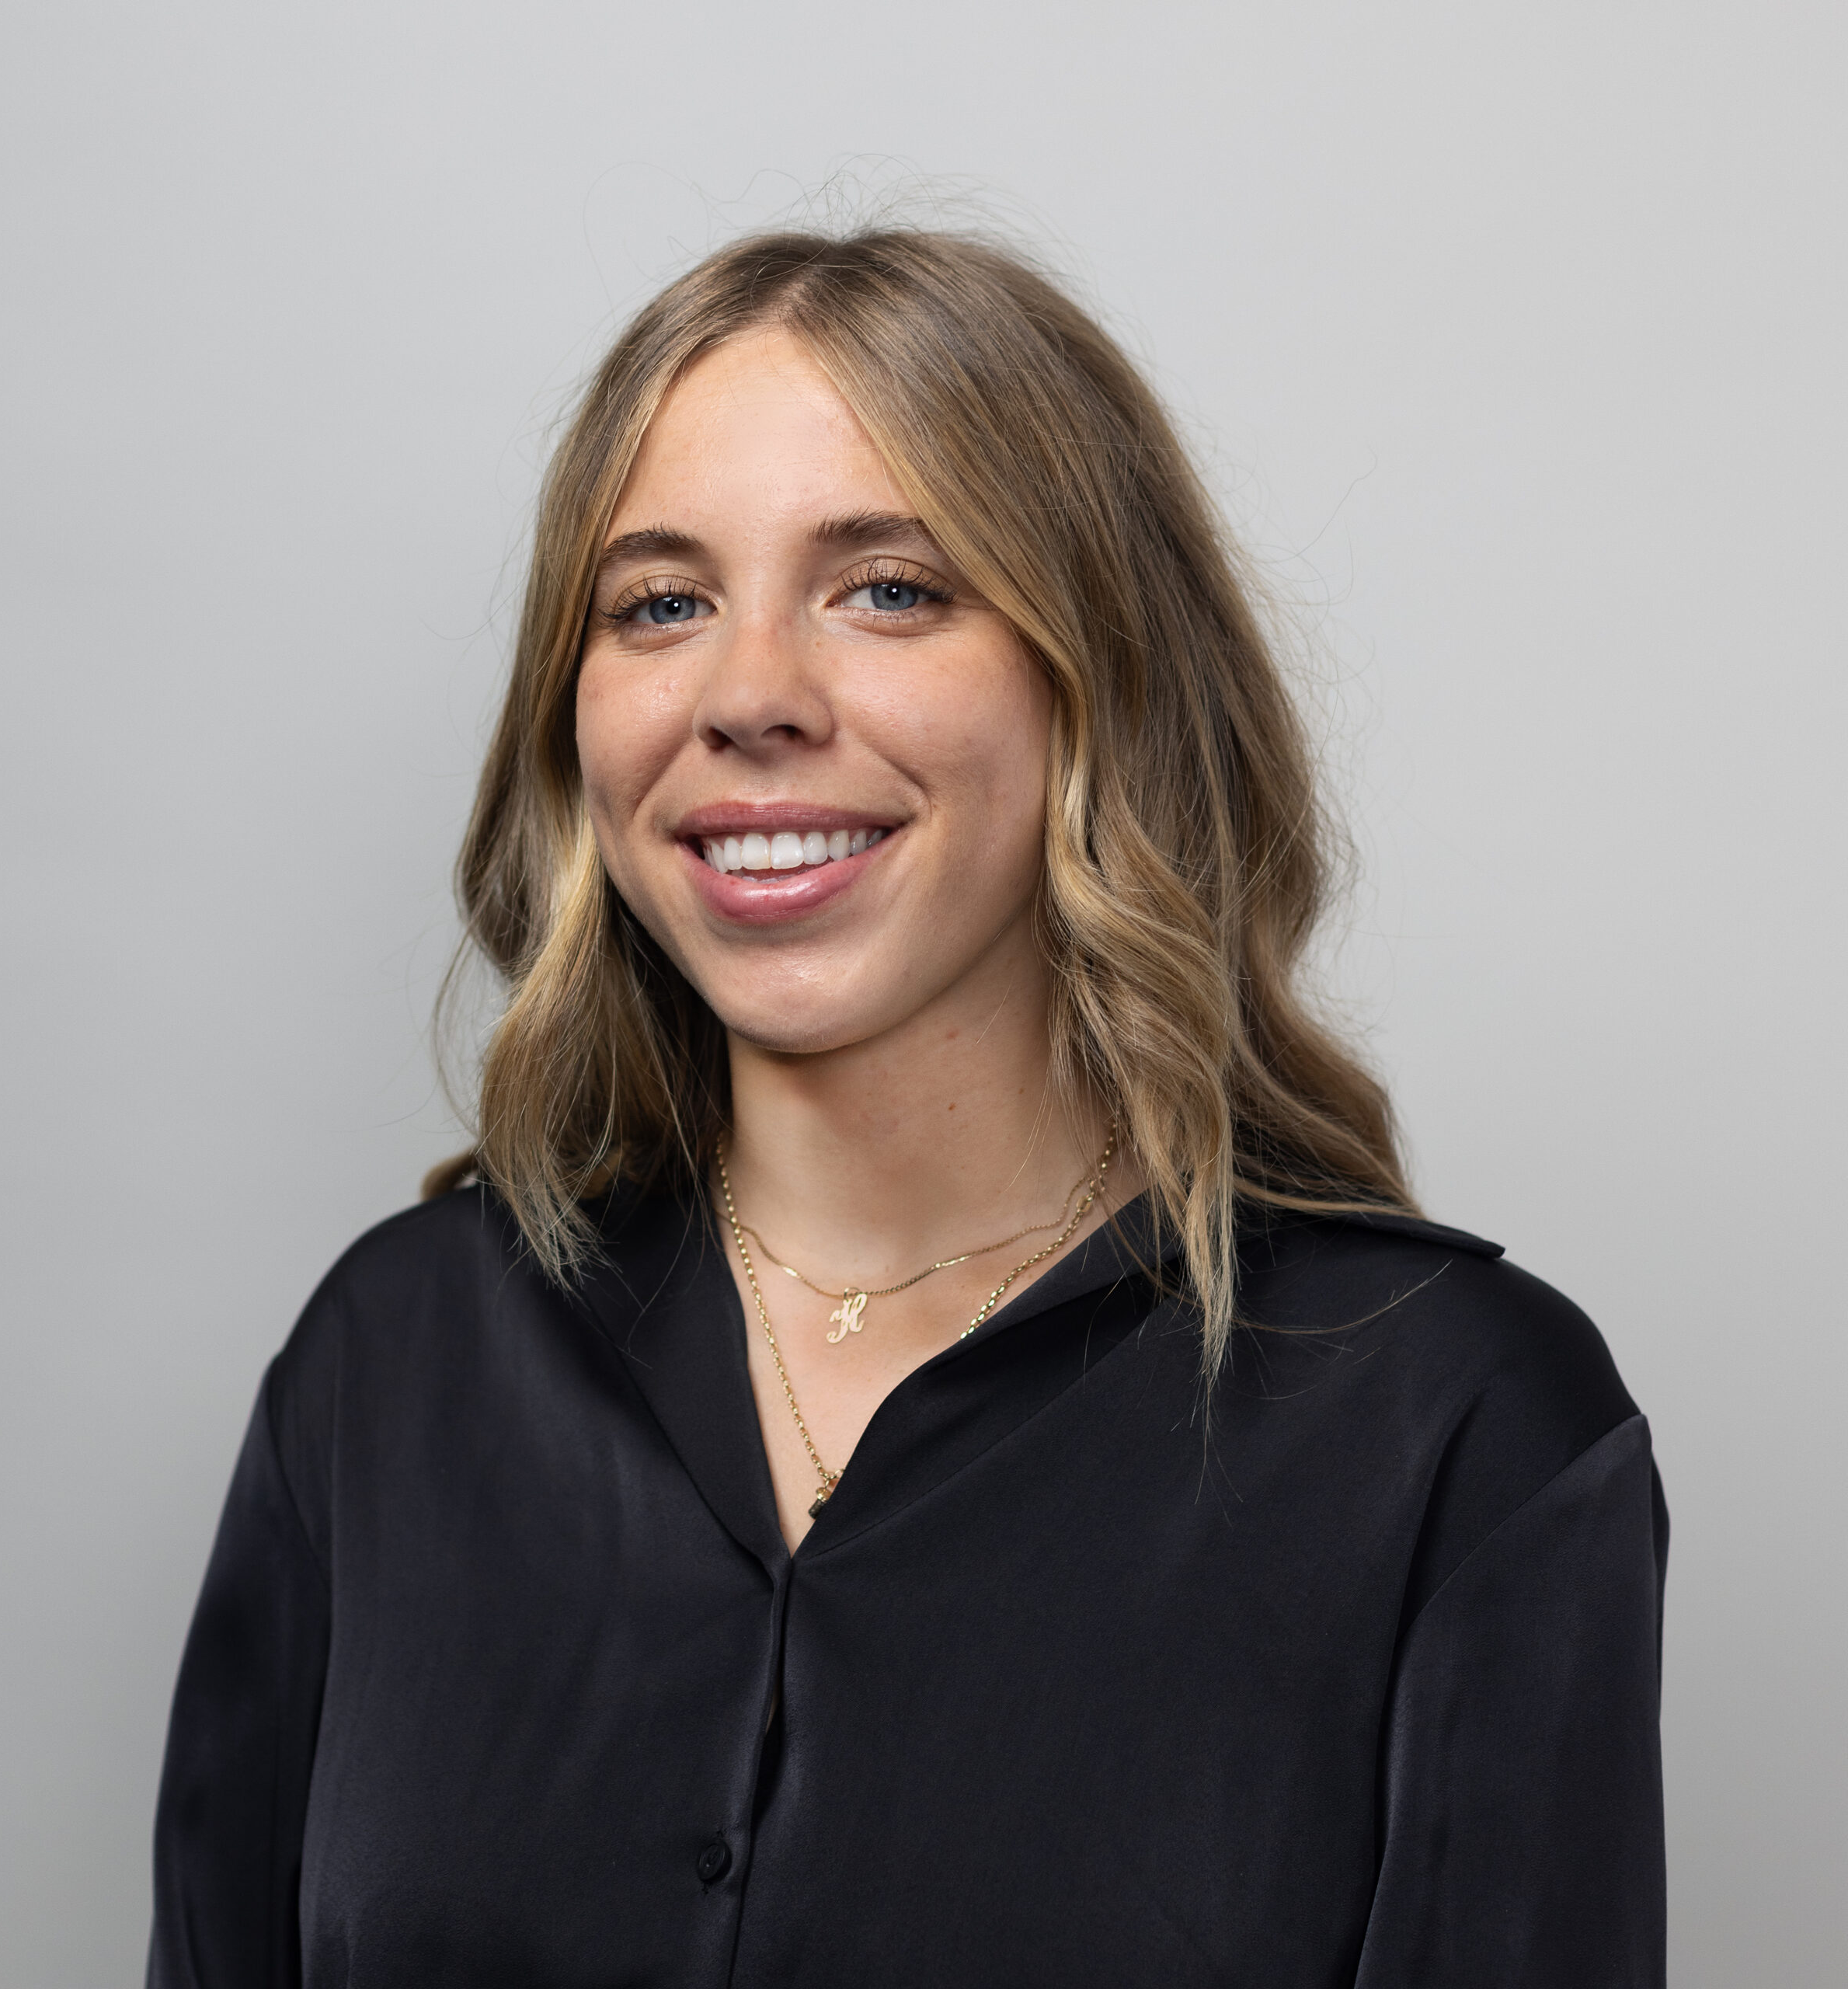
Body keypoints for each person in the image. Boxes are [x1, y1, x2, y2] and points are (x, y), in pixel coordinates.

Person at [147, 229, 1666, 1987]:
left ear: (1096, 673)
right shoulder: (385, 1367)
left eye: (887, 586)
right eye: (658, 602)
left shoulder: (1458, 1427)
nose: (748, 697)